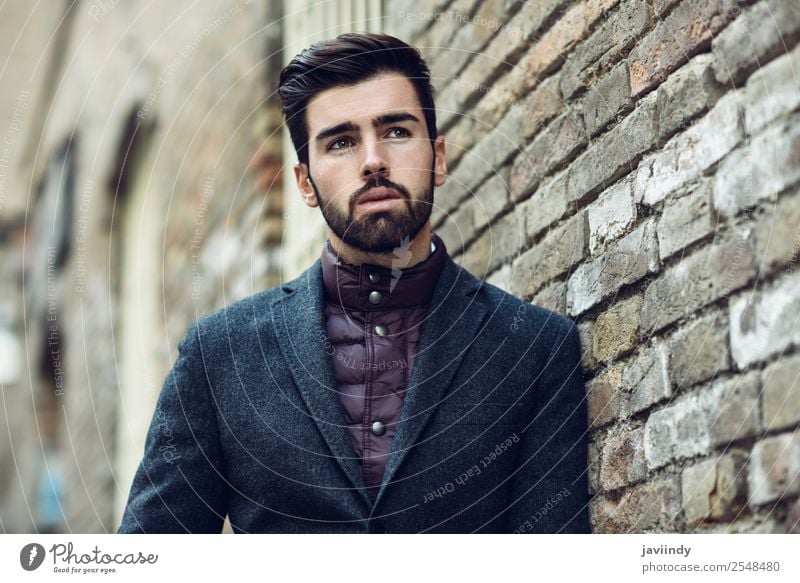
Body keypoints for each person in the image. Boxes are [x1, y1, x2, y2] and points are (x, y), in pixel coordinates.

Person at [117, 32, 591, 534]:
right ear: (305, 183)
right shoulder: (219, 356)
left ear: (440, 158)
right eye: (341, 142)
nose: (372, 160)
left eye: (396, 132)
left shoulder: (534, 348)